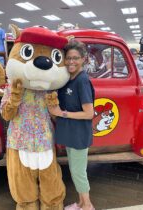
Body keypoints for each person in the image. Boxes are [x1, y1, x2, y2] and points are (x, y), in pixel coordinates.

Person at [47, 40, 95, 210]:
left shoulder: (82, 81)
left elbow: (89, 113)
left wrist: (62, 113)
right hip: (71, 133)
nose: (71, 62)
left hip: (79, 134)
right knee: (75, 170)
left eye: (75, 58)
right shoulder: (68, 79)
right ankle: (81, 203)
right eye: (68, 58)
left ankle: (87, 205)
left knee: (79, 172)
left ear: (83, 59)